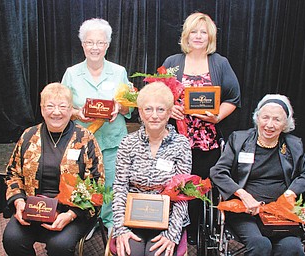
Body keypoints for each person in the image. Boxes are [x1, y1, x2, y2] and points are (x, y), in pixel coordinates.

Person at [162, 12, 241, 244]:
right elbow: (157, 96)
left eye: (203, 32)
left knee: (199, 186)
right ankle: (173, 228)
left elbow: (233, 98)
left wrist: (217, 117)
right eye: (194, 31)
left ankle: (195, 232)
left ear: (210, 37)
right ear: (186, 35)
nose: (198, 36)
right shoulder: (172, 63)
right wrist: (169, 110)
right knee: (173, 184)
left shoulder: (220, 63)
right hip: (175, 139)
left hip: (206, 141)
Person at [2, 82, 104, 256]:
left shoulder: (85, 139)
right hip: (34, 208)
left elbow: (96, 182)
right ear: (42, 109)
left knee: (60, 246)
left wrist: (71, 214)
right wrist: (19, 202)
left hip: (71, 211)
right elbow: (13, 174)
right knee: (12, 239)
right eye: (50, 106)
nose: (56, 112)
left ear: (71, 109)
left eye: (62, 106)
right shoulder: (28, 136)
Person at [210, 94, 305, 256]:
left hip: (280, 214)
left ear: (286, 123)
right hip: (246, 212)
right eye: (265, 117)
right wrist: (243, 195)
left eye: (277, 119)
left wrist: (290, 193)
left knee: (292, 249)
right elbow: (218, 172)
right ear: (257, 118)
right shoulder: (239, 140)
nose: (269, 124)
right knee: (260, 245)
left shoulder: (293, 145)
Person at [61, 18, 133, 232]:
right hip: (82, 144)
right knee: (84, 184)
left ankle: (110, 223)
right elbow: (61, 108)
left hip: (113, 141)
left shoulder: (119, 71)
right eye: (89, 42)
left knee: (112, 185)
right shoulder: (71, 73)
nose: (95, 47)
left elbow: (129, 109)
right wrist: (77, 112)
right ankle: (89, 221)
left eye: (100, 43)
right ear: (82, 44)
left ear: (107, 45)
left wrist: (118, 107)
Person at [112, 82, 192, 256]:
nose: (154, 116)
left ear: (170, 113)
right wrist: (121, 228)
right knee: (129, 253)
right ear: (140, 112)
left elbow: (183, 193)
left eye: (161, 110)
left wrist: (171, 234)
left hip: (168, 218)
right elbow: (119, 187)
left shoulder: (182, 145)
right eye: (148, 109)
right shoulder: (128, 143)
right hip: (131, 218)